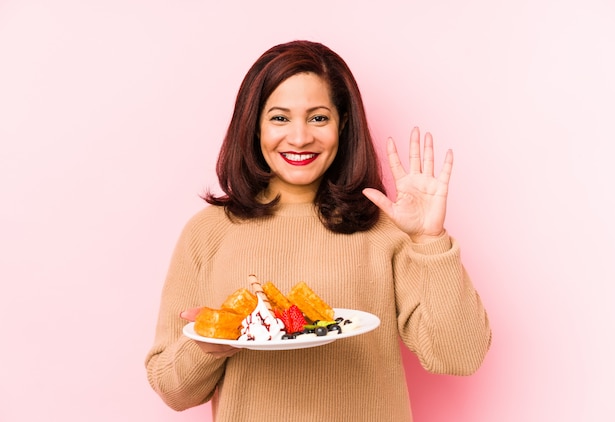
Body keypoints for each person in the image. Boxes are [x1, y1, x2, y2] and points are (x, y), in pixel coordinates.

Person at [145, 40, 491, 421]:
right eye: (279, 118)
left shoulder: (386, 230)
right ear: (254, 125)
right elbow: (171, 390)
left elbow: (461, 357)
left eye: (318, 118)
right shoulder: (208, 232)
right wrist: (207, 344)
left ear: (342, 123)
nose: (299, 138)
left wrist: (429, 241)